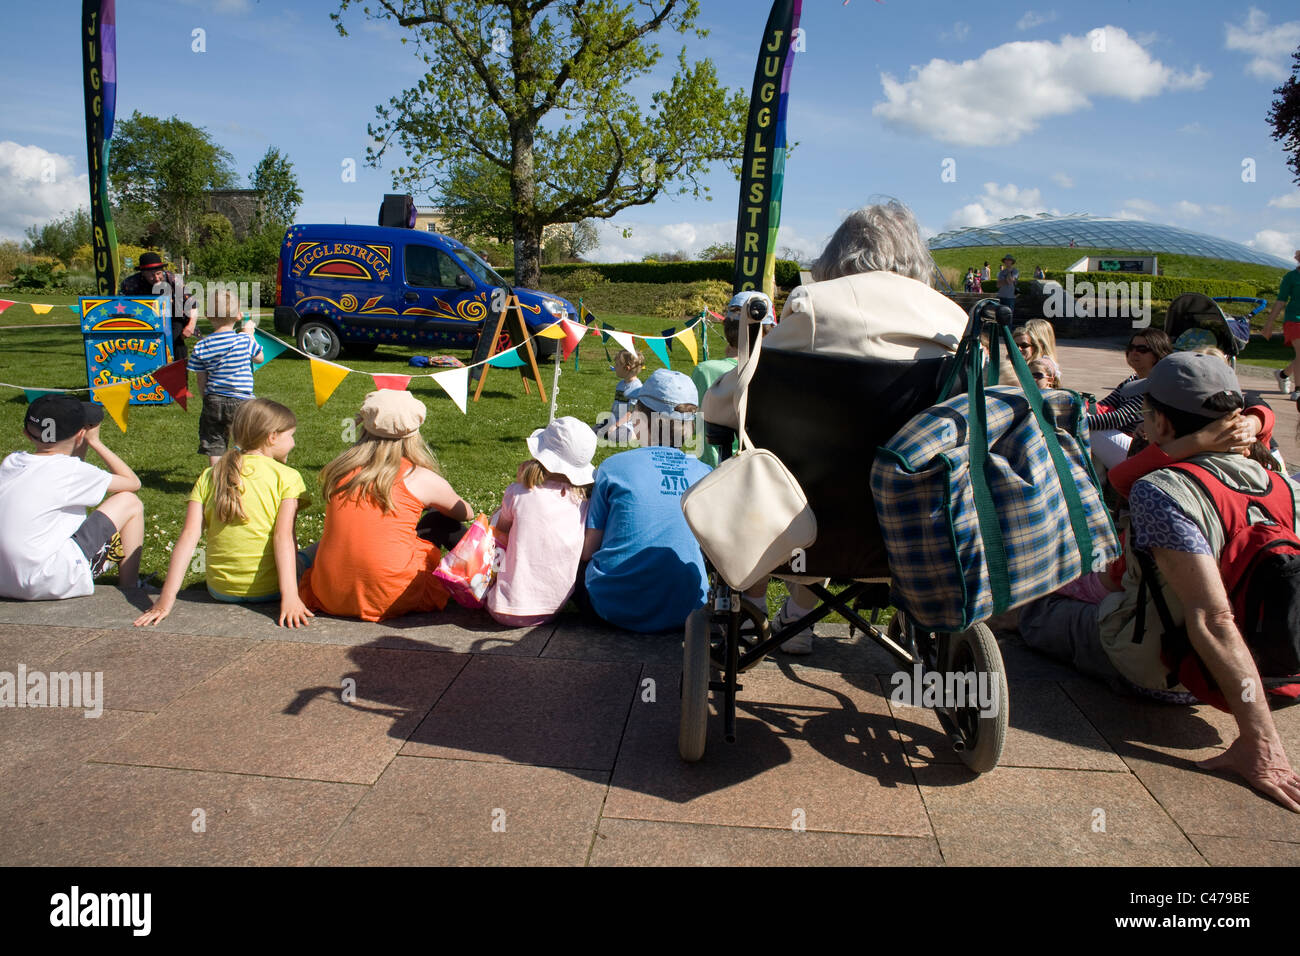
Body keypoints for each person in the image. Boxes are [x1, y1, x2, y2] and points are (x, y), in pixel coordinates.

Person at [1019, 352, 1300, 812]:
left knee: (1027, 608)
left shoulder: (1164, 491)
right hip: (1264, 674)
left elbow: (1212, 619)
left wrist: (1265, 747)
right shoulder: (1283, 484)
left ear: (1161, 424)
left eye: (1146, 414)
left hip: (1162, 673)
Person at [704, 199, 968, 652]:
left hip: (805, 521)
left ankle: (752, 606)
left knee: (770, 470)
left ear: (838, 256)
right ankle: (803, 613)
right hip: (914, 528)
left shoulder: (814, 305)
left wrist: (717, 410)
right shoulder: (954, 320)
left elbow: (741, 394)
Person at [134, 399, 312, 628]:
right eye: (291, 435)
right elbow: (284, 538)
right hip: (270, 591)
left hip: (220, 590)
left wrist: (164, 601)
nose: (294, 443)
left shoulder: (210, 475)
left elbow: (189, 538)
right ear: (272, 437)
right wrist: (290, 598)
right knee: (315, 552)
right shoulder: (288, 477)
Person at [299, 390, 473, 622]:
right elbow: (466, 512)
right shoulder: (419, 477)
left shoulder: (339, 472)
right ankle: (480, 579)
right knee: (439, 520)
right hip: (392, 594)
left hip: (331, 594)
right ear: (413, 434)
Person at [579, 369, 712, 633]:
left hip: (613, 607)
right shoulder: (706, 475)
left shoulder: (613, 468)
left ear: (639, 419)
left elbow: (587, 551)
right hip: (688, 608)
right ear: (691, 425)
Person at [0, 394, 143, 599]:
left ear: (26, 433)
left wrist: (81, 440)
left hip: (4, 580)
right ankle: (130, 586)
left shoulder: (12, 462)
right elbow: (132, 482)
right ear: (80, 435)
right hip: (47, 581)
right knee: (129, 502)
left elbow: (69, 471)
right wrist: (95, 442)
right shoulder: (72, 471)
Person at [486, 417, 596, 627]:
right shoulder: (583, 504)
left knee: (497, 526)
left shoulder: (518, 493)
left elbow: (499, 532)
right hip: (551, 609)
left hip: (501, 606)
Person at [692, 291, 774, 467]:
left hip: (713, 471)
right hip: (764, 468)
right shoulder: (777, 372)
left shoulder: (705, 371)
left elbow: (697, 427)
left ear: (726, 326)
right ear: (769, 329)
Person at [187, 289, 264, 466]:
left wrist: (205, 397)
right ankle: (244, 476)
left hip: (213, 400)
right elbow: (259, 357)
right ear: (239, 315)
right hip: (242, 400)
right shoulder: (243, 340)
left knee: (215, 444)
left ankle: (217, 480)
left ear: (207, 315)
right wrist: (250, 334)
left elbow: (201, 379)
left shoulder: (201, 345)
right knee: (245, 442)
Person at [1088, 329, 1173, 471]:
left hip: (1138, 451)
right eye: (1131, 348)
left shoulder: (1155, 384)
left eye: (1142, 349)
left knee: (1088, 429)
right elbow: (1102, 405)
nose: (1134, 352)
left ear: (1158, 353)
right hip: (1122, 443)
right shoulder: (1132, 380)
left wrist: (1073, 422)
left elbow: (1119, 418)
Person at [119, 251, 196, 361]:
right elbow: (122, 306)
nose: (156, 278)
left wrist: (191, 326)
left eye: (158, 273)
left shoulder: (173, 280)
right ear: (143, 273)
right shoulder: (130, 284)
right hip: (142, 321)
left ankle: (179, 373)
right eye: (151, 275)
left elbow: (192, 304)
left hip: (173, 319)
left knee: (175, 342)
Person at [1261, 248, 1300, 400]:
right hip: (1294, 319)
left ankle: (1283, 374)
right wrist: (1269, 324)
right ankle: (1298, 390)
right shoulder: (1290, 277)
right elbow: (1280, 301)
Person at [595, 349, 645, 445]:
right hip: (615, 421)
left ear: (626, 368)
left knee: (613, 435)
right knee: (593, 430)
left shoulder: (636, 388)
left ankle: (634, 434)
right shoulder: (620, 384)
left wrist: (615, 425)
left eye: (617, 365)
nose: (615, 367)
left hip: (627, 425)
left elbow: (630, 413)